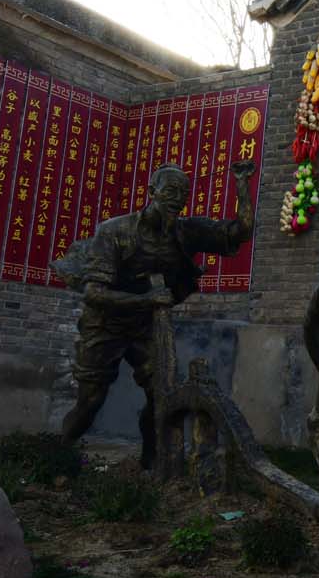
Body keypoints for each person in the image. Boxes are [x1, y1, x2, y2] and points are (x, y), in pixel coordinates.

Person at [56, 159, 256, 465]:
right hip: (104, 324)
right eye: (170, 191)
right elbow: (93, 293)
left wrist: (242, 185)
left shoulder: (186, 232)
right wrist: (147, 300)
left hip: (146, 327)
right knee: (90, 402)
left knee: (161, 395)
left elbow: (241, 231)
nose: (177, 199)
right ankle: (56, 457)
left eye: (183, 193)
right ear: (152, 191)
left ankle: (152, 464)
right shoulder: (114, 231)